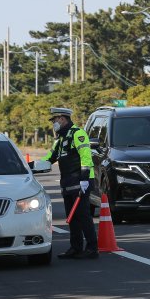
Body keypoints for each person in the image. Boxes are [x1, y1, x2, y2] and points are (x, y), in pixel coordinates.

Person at [36, 107, 99, 259]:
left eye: (55, 120)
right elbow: (49, 159)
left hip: (80, 180)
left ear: (63, 119)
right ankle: (75, 247)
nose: (54, 124)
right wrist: (28, 167)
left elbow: (86, 157)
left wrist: (84, 179)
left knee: (83, 216)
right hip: (67, 182)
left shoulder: (78, 134)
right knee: (72, 217)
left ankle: (92, 248)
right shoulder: (60, 139)